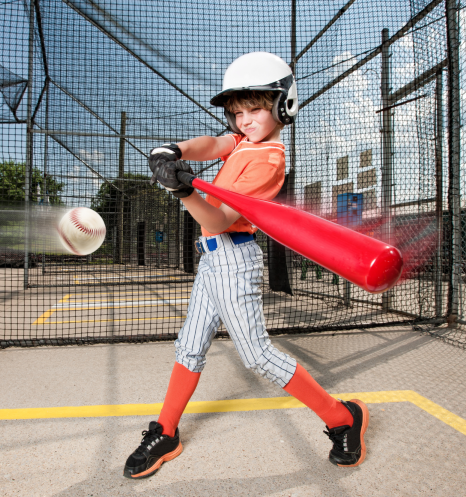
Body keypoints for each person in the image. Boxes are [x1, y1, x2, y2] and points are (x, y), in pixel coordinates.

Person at [123, 52, 369, 479]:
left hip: (236, 258)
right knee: (190, 344)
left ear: (281, 106)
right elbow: (214, 144)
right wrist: (174, 150)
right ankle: (166, 431)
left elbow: (217, 219)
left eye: (255, 108)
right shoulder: (240, 143)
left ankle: (342, 418)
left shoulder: (268, 159)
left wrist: (184, 193)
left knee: (256, 355)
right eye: (238, 112)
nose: (245, 119)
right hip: (211, 262)